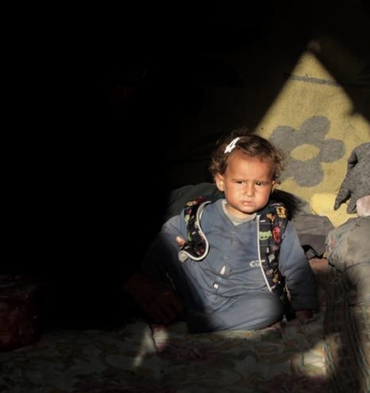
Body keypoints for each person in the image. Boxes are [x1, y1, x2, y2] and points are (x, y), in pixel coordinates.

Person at [123, 129, 318, 333]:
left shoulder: (277, 224)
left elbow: (297, 269)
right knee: (165, 243)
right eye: (240, 182)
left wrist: (304, 316)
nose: (249, 192)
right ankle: (155, 306)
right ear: (221, 181)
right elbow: (167, 238)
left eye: (259, 184)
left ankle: (201, 324)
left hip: (241, 298)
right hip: (193, 287)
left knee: (270, 307)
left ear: (272, 186)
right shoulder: (199, 212)